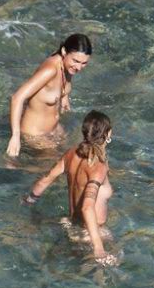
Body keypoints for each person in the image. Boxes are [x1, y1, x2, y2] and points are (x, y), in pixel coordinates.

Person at [24, 110, 117, 266]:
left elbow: (46, 180)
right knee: (116, 271)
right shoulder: (98, 167)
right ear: (108, 134)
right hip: (92, 235)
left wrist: (29, 200)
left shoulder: (71, 154)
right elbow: (87, 207)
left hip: (71, 225)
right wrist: (99, 248)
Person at [6, 34, 92, 157]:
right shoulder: (50, 70)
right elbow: (17, 98)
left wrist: (64, 95)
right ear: (64, 51)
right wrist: (15, 136)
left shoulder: (67, 65)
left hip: (55, 129)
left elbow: (64, 80)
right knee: (56, 165)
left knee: (84, 150)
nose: (79, 67)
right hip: (36, 135)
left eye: (84, 63)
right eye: (76, 61)